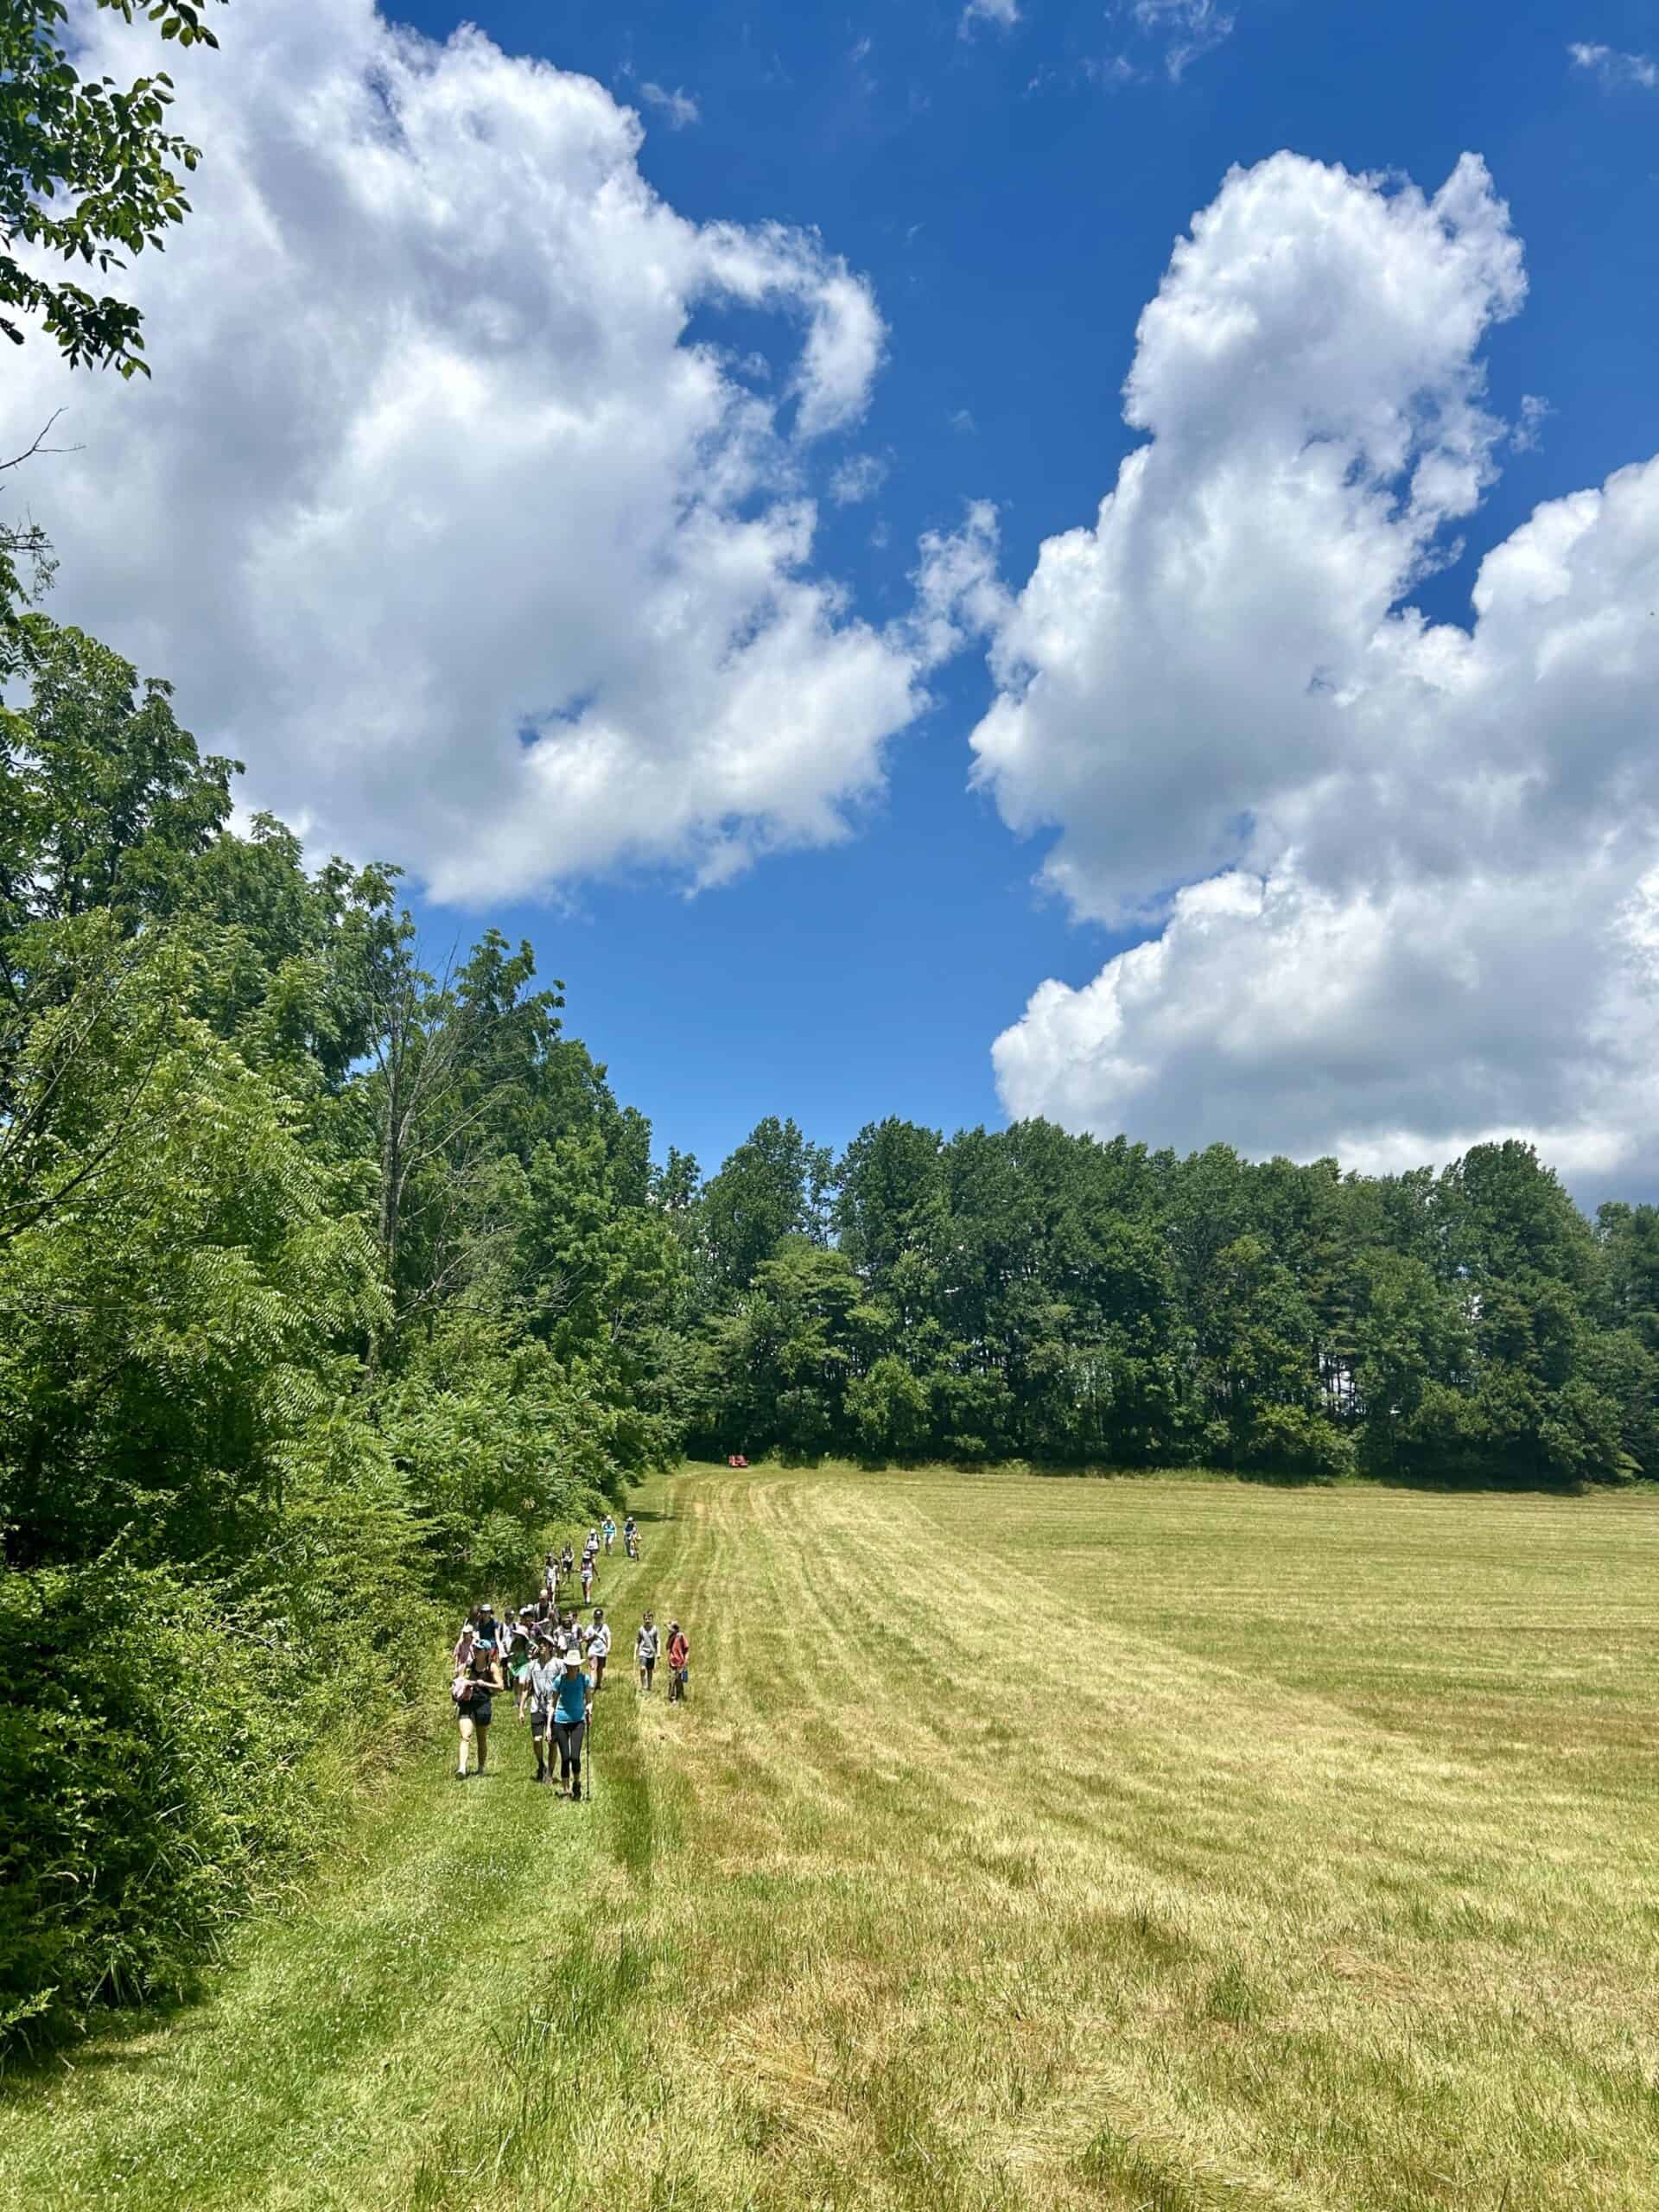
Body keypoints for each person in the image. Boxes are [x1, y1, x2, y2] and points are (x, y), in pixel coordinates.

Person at [453, 1637, 504, 1779]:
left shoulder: (491, 1667)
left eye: (479, 1649)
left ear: (487, 1652)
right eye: (475, 1648)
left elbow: (501, 1686)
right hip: (467, 1704)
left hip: (483, 1704)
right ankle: (462, 1769)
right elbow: (457, 1681)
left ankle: (481, 1769)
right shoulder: (467, 1666)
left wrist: (484, 1684)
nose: (475, 1651)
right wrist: (460, 1683)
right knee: (465, 1736)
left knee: (482, 1739)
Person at [550, 1644, 593, 1800]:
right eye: (570, 1666)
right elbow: (552, 1704)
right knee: (565, 1756)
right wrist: (549, 1725)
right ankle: (566, 1789)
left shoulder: (584, 1679)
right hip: (560, 1720)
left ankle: (576, 1783)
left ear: (578, 1666)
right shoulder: (559, 1681)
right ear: (566, 1665)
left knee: (575, 1756)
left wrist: (589, 1710)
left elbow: (589, 1700)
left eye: (575, 1666)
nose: (572, 1669)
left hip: (578, 1721)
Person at [523, 1630, 561, 1784]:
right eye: (540, 1643)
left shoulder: (558, 1664)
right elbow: (527, 1687)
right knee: (537, 1739)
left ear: (551, 1647)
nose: (542, 1646)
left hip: (554, 1707)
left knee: (552, 1742)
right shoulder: (532, 1666)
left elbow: (564, 1684)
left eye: (545, 1644)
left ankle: (550, 1774)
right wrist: (521, 1709)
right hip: (537, 1707)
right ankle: (541, 1765)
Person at [667, 1620, 690, 1703]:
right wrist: (671, 1637)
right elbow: (667, 1646)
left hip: (681, 1662)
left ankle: (680, 1696)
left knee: (680, 1680)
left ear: (676, 1629)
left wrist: (686, 1660)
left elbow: (686, 1648)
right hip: (672, 1662)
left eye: (670, 1629)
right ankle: (672, 1697)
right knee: (672, 1680)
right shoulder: (671, 1636)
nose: (669, 1631)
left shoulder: (681, 1636)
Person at [636, 1611, 659, 1693]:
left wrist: (658, 1652)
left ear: (652, 1619)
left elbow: (657, 1641)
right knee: (642, 1668)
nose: (647, 1621)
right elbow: (638, 1641)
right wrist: (636, 1652)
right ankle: (643, 1686)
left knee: (650, 1670)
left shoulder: (655, 1629)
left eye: (649, 1619)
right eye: (645, 1619)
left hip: (651, 1652)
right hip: (643, 1652)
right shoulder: (641, 1629)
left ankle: (649, 1686)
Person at [588, 1606, 611, 1688]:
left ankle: (598, 1684)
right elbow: (586, 1638)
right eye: (596, 1618)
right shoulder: (590, 1627)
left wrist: (608, 1648)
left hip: (602, 1651)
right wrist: (591, 1637)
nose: (597, 1619)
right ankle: (591, 1685)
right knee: (593, 1667)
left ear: (601, 1618)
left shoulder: (605, 1627)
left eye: (599, 1618)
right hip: (592, 1650)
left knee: (600, 1669)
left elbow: (608, 1637)